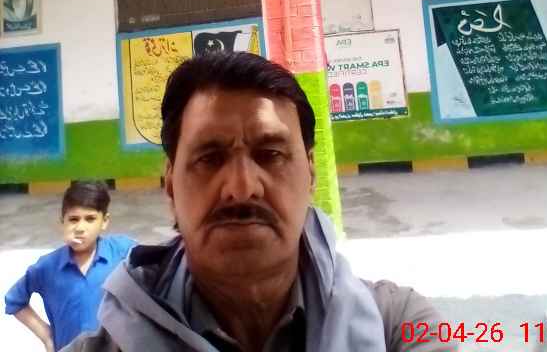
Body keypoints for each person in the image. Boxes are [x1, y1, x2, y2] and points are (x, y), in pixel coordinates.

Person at [62, 52, 454, 352]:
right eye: (210, 158)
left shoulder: (399, 326)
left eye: (271, 155)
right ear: (171, 187)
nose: (242, 187)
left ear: (310, 174)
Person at [4, 180, 137, 352]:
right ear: (63, 222)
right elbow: (15, 301)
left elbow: (156, 277)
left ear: (104, 221)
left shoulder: (122, 251)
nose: (80, 228)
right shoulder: (48, 267)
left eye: (90, 219)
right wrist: (46, 336)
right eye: (73, 219)